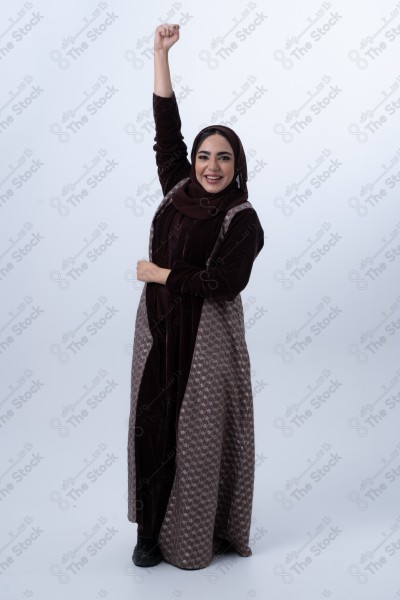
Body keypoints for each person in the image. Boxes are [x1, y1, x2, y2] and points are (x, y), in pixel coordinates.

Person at [127, 23, 264, 570]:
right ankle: (150, 533)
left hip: (208, 337)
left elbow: (223, 283)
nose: (210, 166)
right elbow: (166, 130)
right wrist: (159, 56)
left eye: (223, 158)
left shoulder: (242, 218)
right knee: (152, 426)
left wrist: (160, 275)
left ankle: (195, 537)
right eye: (204, 155)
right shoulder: (177, 190)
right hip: (158, 330)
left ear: (237, 166)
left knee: (198, 437)